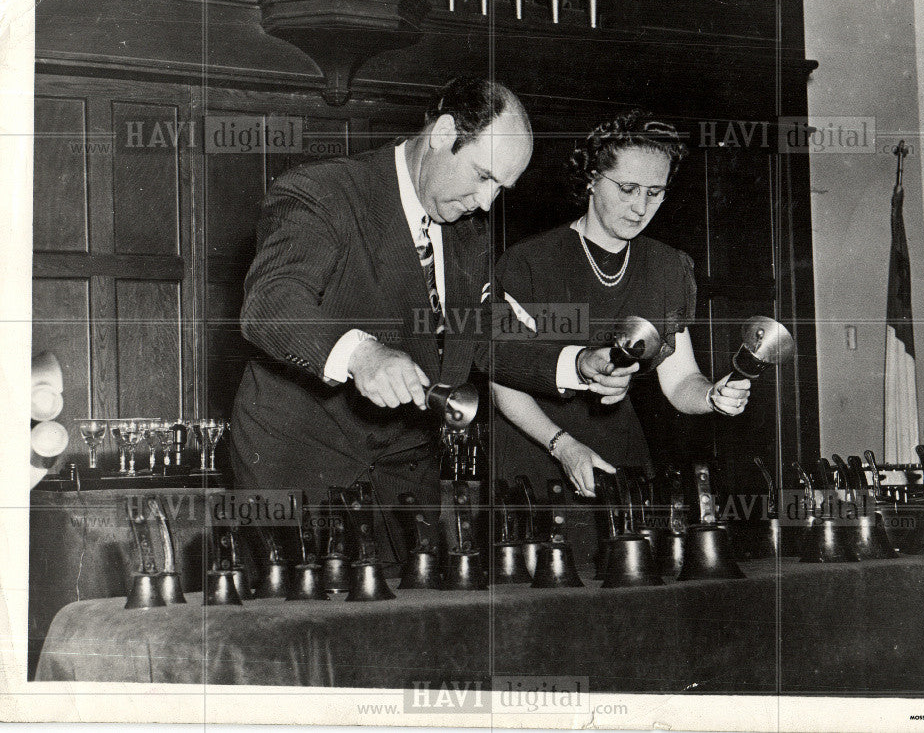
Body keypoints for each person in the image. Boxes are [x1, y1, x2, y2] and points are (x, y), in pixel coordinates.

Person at [229, 78, 636, 520]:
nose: (485, 202)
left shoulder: (467, 233)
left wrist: (576, 363)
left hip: (404, 470)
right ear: (443, 133)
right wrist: (360, 354)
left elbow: (483, 332)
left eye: (501, 188)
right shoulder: (325, 192)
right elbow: (271, 302)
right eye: (483, 176)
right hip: (296, 458)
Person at [491, 110, 752, 505]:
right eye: (628, 188)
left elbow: (681, 380)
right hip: (537, 457)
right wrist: (562, 445)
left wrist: (712, 395)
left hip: (620, 461)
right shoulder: (529, 262)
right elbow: (501, 379)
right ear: (593, 179)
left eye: (654, 192)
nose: (640, 208)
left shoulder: (667, 267)